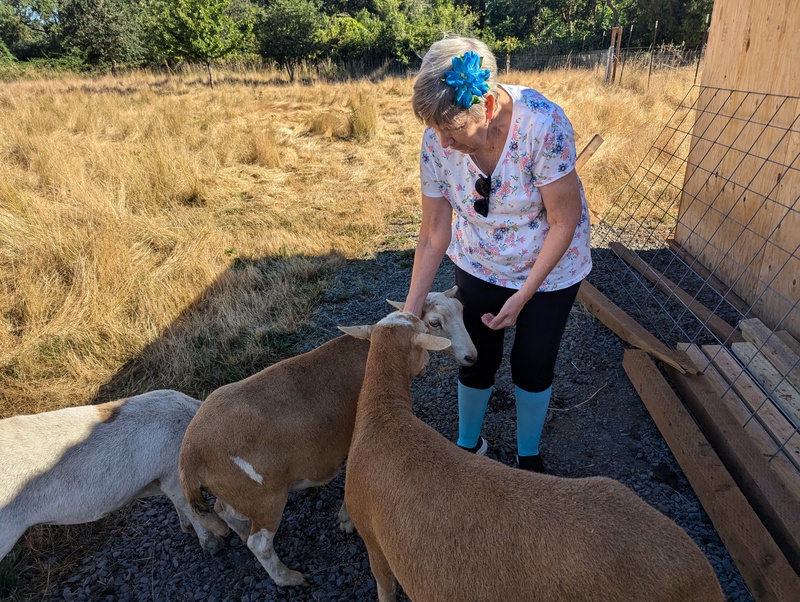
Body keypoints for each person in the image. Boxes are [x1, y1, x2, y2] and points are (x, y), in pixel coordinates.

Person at [402, 36, 592, 472]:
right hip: (480, 259)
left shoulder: (543, 124)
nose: (444, 146)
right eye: (437, 133)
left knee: (532, 361)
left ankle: (529, 456)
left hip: (549, 268)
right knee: (475, 354)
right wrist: (409, 317)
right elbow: (434, 233)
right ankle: (468, 444)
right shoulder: (438, 142)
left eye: (453, 133)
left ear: (486, 107)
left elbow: (563, 222)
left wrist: (523, 295)